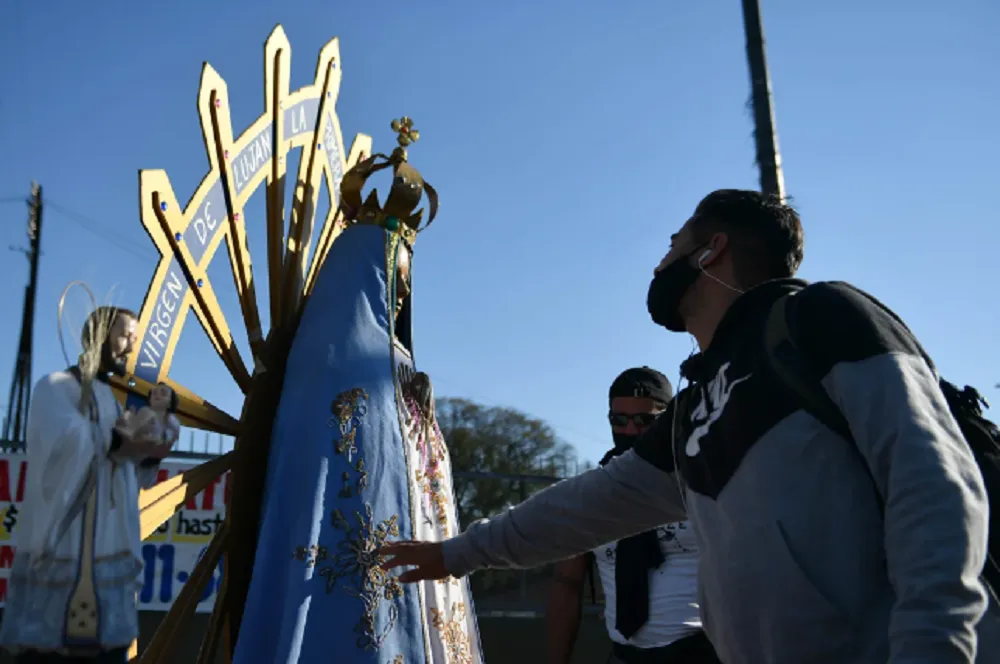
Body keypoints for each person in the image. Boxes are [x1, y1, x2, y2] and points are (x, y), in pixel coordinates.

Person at [382, 189, 1000, 663]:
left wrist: (934, 647)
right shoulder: (691, 410)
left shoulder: (822, 317)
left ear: (712, 250)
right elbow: (585, 506)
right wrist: (455, 554)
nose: (661, 260)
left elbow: (936, 483)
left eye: (674, 243)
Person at [232, 150, 482, 663]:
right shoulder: (332, 364)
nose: (400, 296)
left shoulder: (400, 366)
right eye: (395, 280)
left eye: (406, 285)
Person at [0, 306, 177, 663]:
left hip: (108, 548)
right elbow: (60, 447)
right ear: (99, 334)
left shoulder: (110, 400)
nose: (130, 347)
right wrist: (113, 442)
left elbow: (124, 477)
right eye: (126, 335)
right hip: (65, 552)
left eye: (136, 339)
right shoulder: (56, 387)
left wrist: (147, 453)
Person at [547, 366, 719, 664]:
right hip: (625, 655)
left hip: (702, 651)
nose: (630, 430)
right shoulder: (592, 493)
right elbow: (567, 583)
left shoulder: (703, 481)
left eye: (644, 420)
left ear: (668, 420)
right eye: (619, 420)